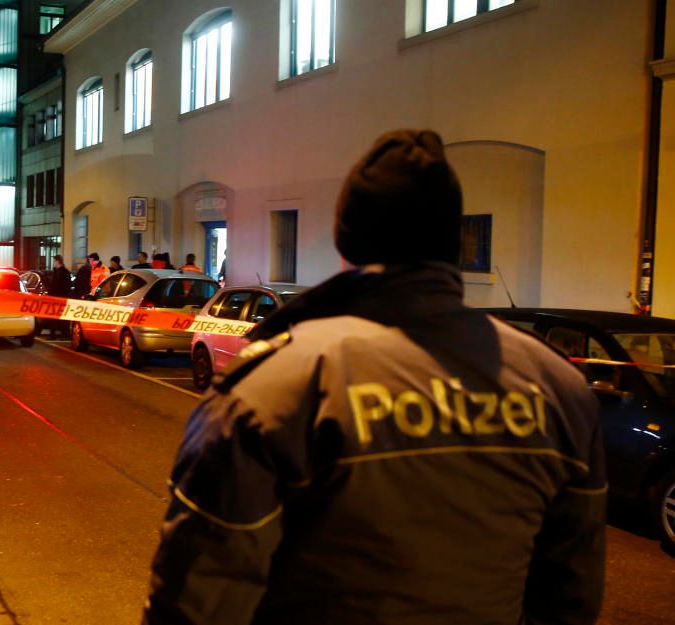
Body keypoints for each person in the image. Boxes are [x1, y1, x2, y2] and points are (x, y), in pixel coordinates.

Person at [143, 130, 605, 625]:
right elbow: (570, 598)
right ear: (452, 246)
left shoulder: (277, 388)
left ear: (347, 245)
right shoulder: (557, 388)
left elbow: (197, 601)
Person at [47, 255, 73, 337]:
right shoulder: (56, 272)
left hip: (60, 298)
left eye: (54, 261)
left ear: (58, 262)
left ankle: (63, 334)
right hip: (55, 298)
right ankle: (54, 334)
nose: (53, 263)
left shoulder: (64, 273)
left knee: (61, 317)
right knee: (54, 316)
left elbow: (65, 286)